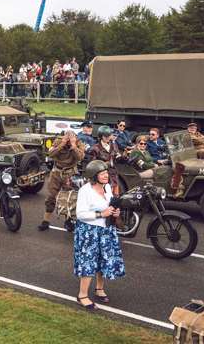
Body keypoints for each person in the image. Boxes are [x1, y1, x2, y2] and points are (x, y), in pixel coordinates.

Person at [74, 160, 125, 309]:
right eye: (102, 174)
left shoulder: (108, 187)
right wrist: (101, 214)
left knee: (104, 260)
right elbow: (80, 214)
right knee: (88, 262)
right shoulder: (85, 190)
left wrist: (115, 212)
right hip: (90, 231)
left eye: (106, 173)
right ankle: (82, 295)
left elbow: (109, 206)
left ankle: (99, 288)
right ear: (93, 176)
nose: (106, 176)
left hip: (106, 230)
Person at [40, 130, 86, 231]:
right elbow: (50, 154)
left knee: (70, 199)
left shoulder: (79, 143)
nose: (69, 140)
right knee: (50, 197)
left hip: (70, 174)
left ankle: (69, 220)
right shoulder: (58, 142)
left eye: (71, 138)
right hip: (56, 173)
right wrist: (62, 144)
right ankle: (46, 220)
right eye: (67, 138)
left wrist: (73, 146)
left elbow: (80, 157)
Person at [89, 126, 123, 195]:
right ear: (101, 136)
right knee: (104, 195)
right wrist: (106, 164)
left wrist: (122, 157)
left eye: (109, 135)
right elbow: (93, 165)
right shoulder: (95, 148)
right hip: (102, 176)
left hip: (114, 174)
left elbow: (117, 156)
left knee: (116, 196)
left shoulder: (114, 145)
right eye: (105, 136)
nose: (108, 138)